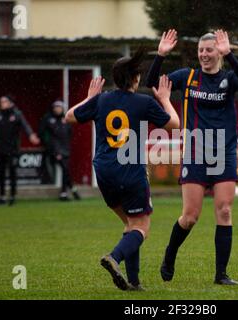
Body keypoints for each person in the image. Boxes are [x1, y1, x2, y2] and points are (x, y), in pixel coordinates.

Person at [146, 29, 238, 285]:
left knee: (225, 211)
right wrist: (160, 55)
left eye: (209, 50)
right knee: (190, 216)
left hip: (224, 153)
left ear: (218, 52)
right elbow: (153, 83)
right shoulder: (188, 76)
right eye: (201, 51)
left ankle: (221, 275)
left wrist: (231, 55)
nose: (204, 55)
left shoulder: (229, 78)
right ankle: (169, 256)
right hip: (195, 152)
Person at [65, 49, 180, 291]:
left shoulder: (102, 100)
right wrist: (166, 98)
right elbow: (174, 124)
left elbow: (69, 117)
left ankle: (134, 282)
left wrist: (89, 97)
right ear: (135, 78)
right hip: (130, 170)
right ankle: (114, 258)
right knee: (141, 227)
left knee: (130, 224)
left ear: (115, 79)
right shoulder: (144, 102)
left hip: (104, 170)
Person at [39, 100, 80, 201]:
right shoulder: (48, 119)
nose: (57, 109)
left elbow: (69, 133)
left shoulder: (65, 119)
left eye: (59, 107)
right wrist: (51, 147)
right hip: (54, 149)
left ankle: (69, 191)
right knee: (65, 169)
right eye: (56, 107)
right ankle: (66, 191)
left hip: (65, 148)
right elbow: (42, 133)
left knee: (65, 170)